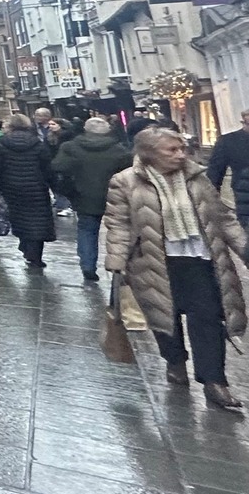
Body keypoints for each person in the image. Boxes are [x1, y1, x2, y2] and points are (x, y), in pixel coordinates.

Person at [103, 126, 249, 413]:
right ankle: (175, 362)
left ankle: (214, 381)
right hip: (154, 260)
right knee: (164, 320)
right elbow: (118, 224)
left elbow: (222, 218)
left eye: (182, 148)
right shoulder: (124, 182)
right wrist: (117, 263)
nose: (180, 155)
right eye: (172, 150)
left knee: (208, 318)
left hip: (200, 258)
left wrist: (244, 248)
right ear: (148, 154)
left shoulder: (197, 177)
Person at [53, 115, 132, 282]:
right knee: (118, 231)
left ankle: (88, 265)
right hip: (113, 196)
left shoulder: (71, 147)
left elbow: (58, 167)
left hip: (83, 195)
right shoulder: (118, 149)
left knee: (87, 230)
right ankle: (119, 264)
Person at [0, 114, 56, 269]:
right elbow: (47, 167)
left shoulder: (1, 144)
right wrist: (51, 184)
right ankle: (36, 255)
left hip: (12, 188)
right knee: (38, 222)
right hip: (36, 188)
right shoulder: (37, 143)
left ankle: (25, 247)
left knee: (20, 220)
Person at [205, 109, 249, 228]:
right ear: (244, 121)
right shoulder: (228, 141)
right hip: (245, 196)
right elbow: (215, 172)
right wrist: (212, 199)